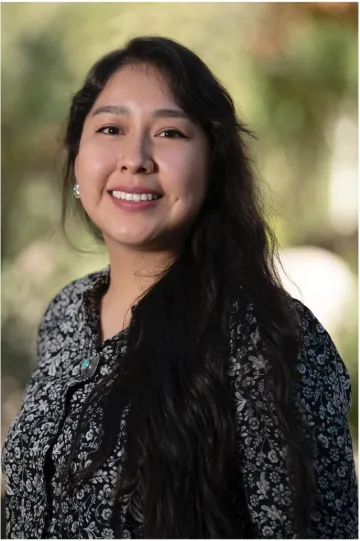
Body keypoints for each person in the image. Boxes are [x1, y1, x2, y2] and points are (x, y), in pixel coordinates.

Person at [2, 35, 358, 539]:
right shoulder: (65, 314)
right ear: (78, 160)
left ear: (214, 166)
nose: (136, 158)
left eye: (170, 132)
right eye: (110, 128)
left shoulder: (272, 337)